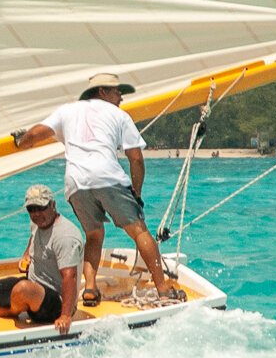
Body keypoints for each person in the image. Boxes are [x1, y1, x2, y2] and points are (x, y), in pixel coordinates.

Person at [11, 71, 174, 304]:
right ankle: (164, 289)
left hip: (76, 182)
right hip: (108, 177)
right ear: (103, 91)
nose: (121, 97)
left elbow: (36, 134)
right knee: (139, 231)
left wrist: (21, 141)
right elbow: (136, 159)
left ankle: (89, 288)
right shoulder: (119, 115)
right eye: (117, 92)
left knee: (94, 235)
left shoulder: (67, 111)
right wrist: (136, 194)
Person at [0, 183, 83, 334]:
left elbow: (70, 277)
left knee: (23, 289)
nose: (36, 213)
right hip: (34, 283)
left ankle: (8, 311)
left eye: (41, 208)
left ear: (53, 205)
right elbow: (33, 236)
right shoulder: (37, 222)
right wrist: (26, 255)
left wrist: (65, 315)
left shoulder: (65, 236)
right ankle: (18, 303)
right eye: (31, 209)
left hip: (58, 301)